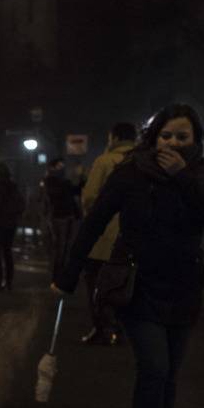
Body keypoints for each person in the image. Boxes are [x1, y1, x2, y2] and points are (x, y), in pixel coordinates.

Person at [55, 105, 204, 408]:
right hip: (138, 284)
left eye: (182, 137)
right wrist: (68, 273)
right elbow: (95, 219)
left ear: (195, 141)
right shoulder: (131, 173)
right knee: (155, 368)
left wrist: (182, 178)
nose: (173, 143)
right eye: (167, 136)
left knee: (169, 377)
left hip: (182, 286)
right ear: (154, 138)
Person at [79, 123, 137, 344]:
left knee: (96, 281)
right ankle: (122, 327)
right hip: (133, 234)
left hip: (105, 234)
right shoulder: (143, 162)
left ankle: (103, 328)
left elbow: (90, 197)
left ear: (114, 138)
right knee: (125, 282)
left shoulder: (104, 161)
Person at [0, 162, 24, 290]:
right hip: (10, 223)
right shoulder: (13, 186)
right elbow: (21, 204)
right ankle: (8, 281)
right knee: (7, 252)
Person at [41, 157, 81, 280]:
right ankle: (57, 274)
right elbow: (57, 193)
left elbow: (76, 191)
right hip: (59, 216)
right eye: (59, 166)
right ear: (52, 167)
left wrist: (80, 178)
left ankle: (63, 273)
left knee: (67, 246)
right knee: (60, 246)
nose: (62, 168)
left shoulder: (63, 181)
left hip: (69, 215)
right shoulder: (49, 180)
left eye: (62, 166)